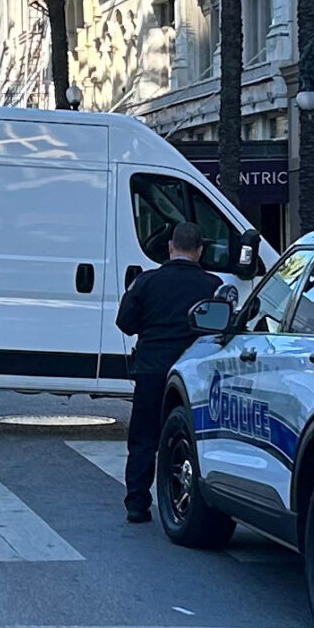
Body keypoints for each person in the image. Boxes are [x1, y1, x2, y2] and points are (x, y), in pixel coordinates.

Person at [115, 219, 228, 524]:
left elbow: (125, 322)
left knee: (143, 439)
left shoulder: (147, 282)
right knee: (189, 439)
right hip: (194, 376)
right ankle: (181, 499)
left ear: (170, 247)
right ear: (200, 251)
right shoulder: (213, 286)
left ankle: (137, 503)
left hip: (152, 370)